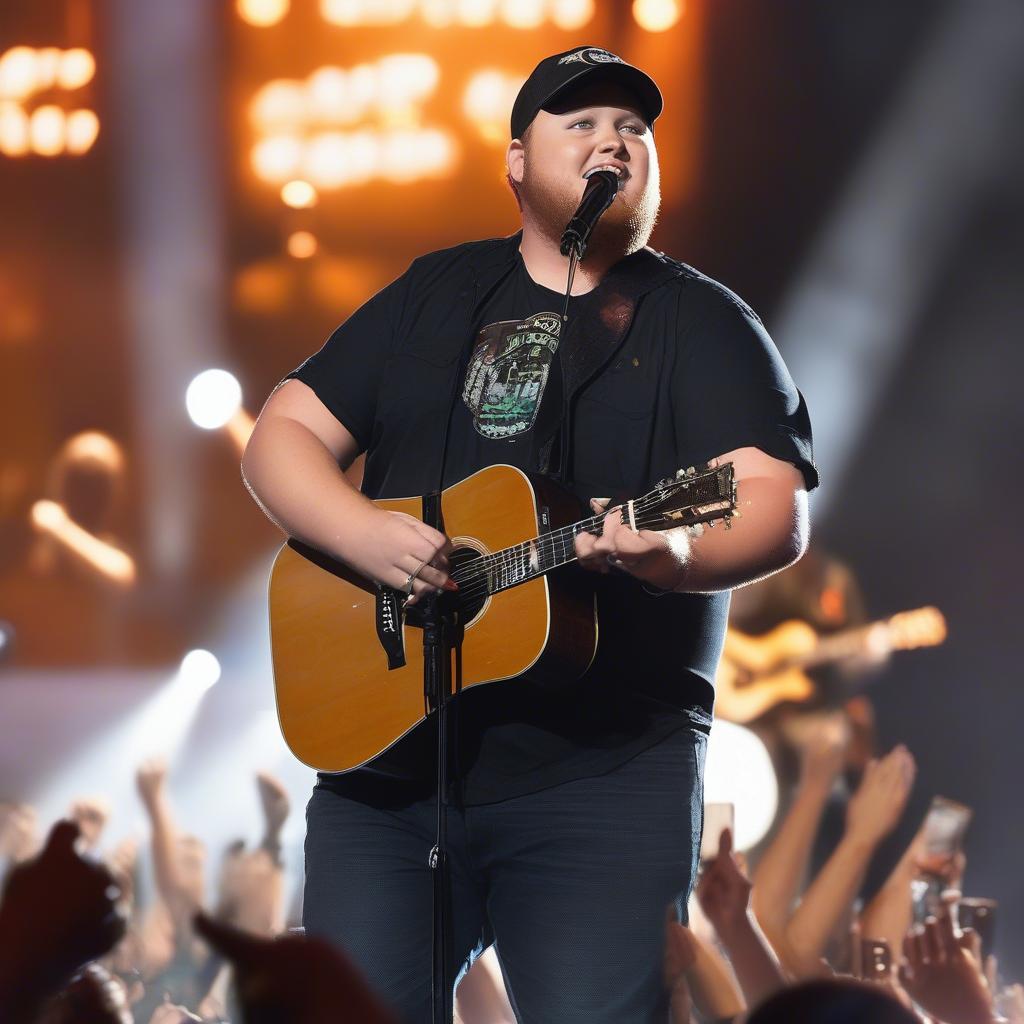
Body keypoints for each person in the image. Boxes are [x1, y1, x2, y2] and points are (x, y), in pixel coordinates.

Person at [241, 45, 817, 1022]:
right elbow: (282, 434)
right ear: (516, 160)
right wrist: (365, 537)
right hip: (387, 768)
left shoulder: (702, 323)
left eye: (632, 129)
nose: (612, 143)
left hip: (601, 774)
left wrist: (668, 551)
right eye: (580, 124)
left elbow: (770, 501)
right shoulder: (435, 293)